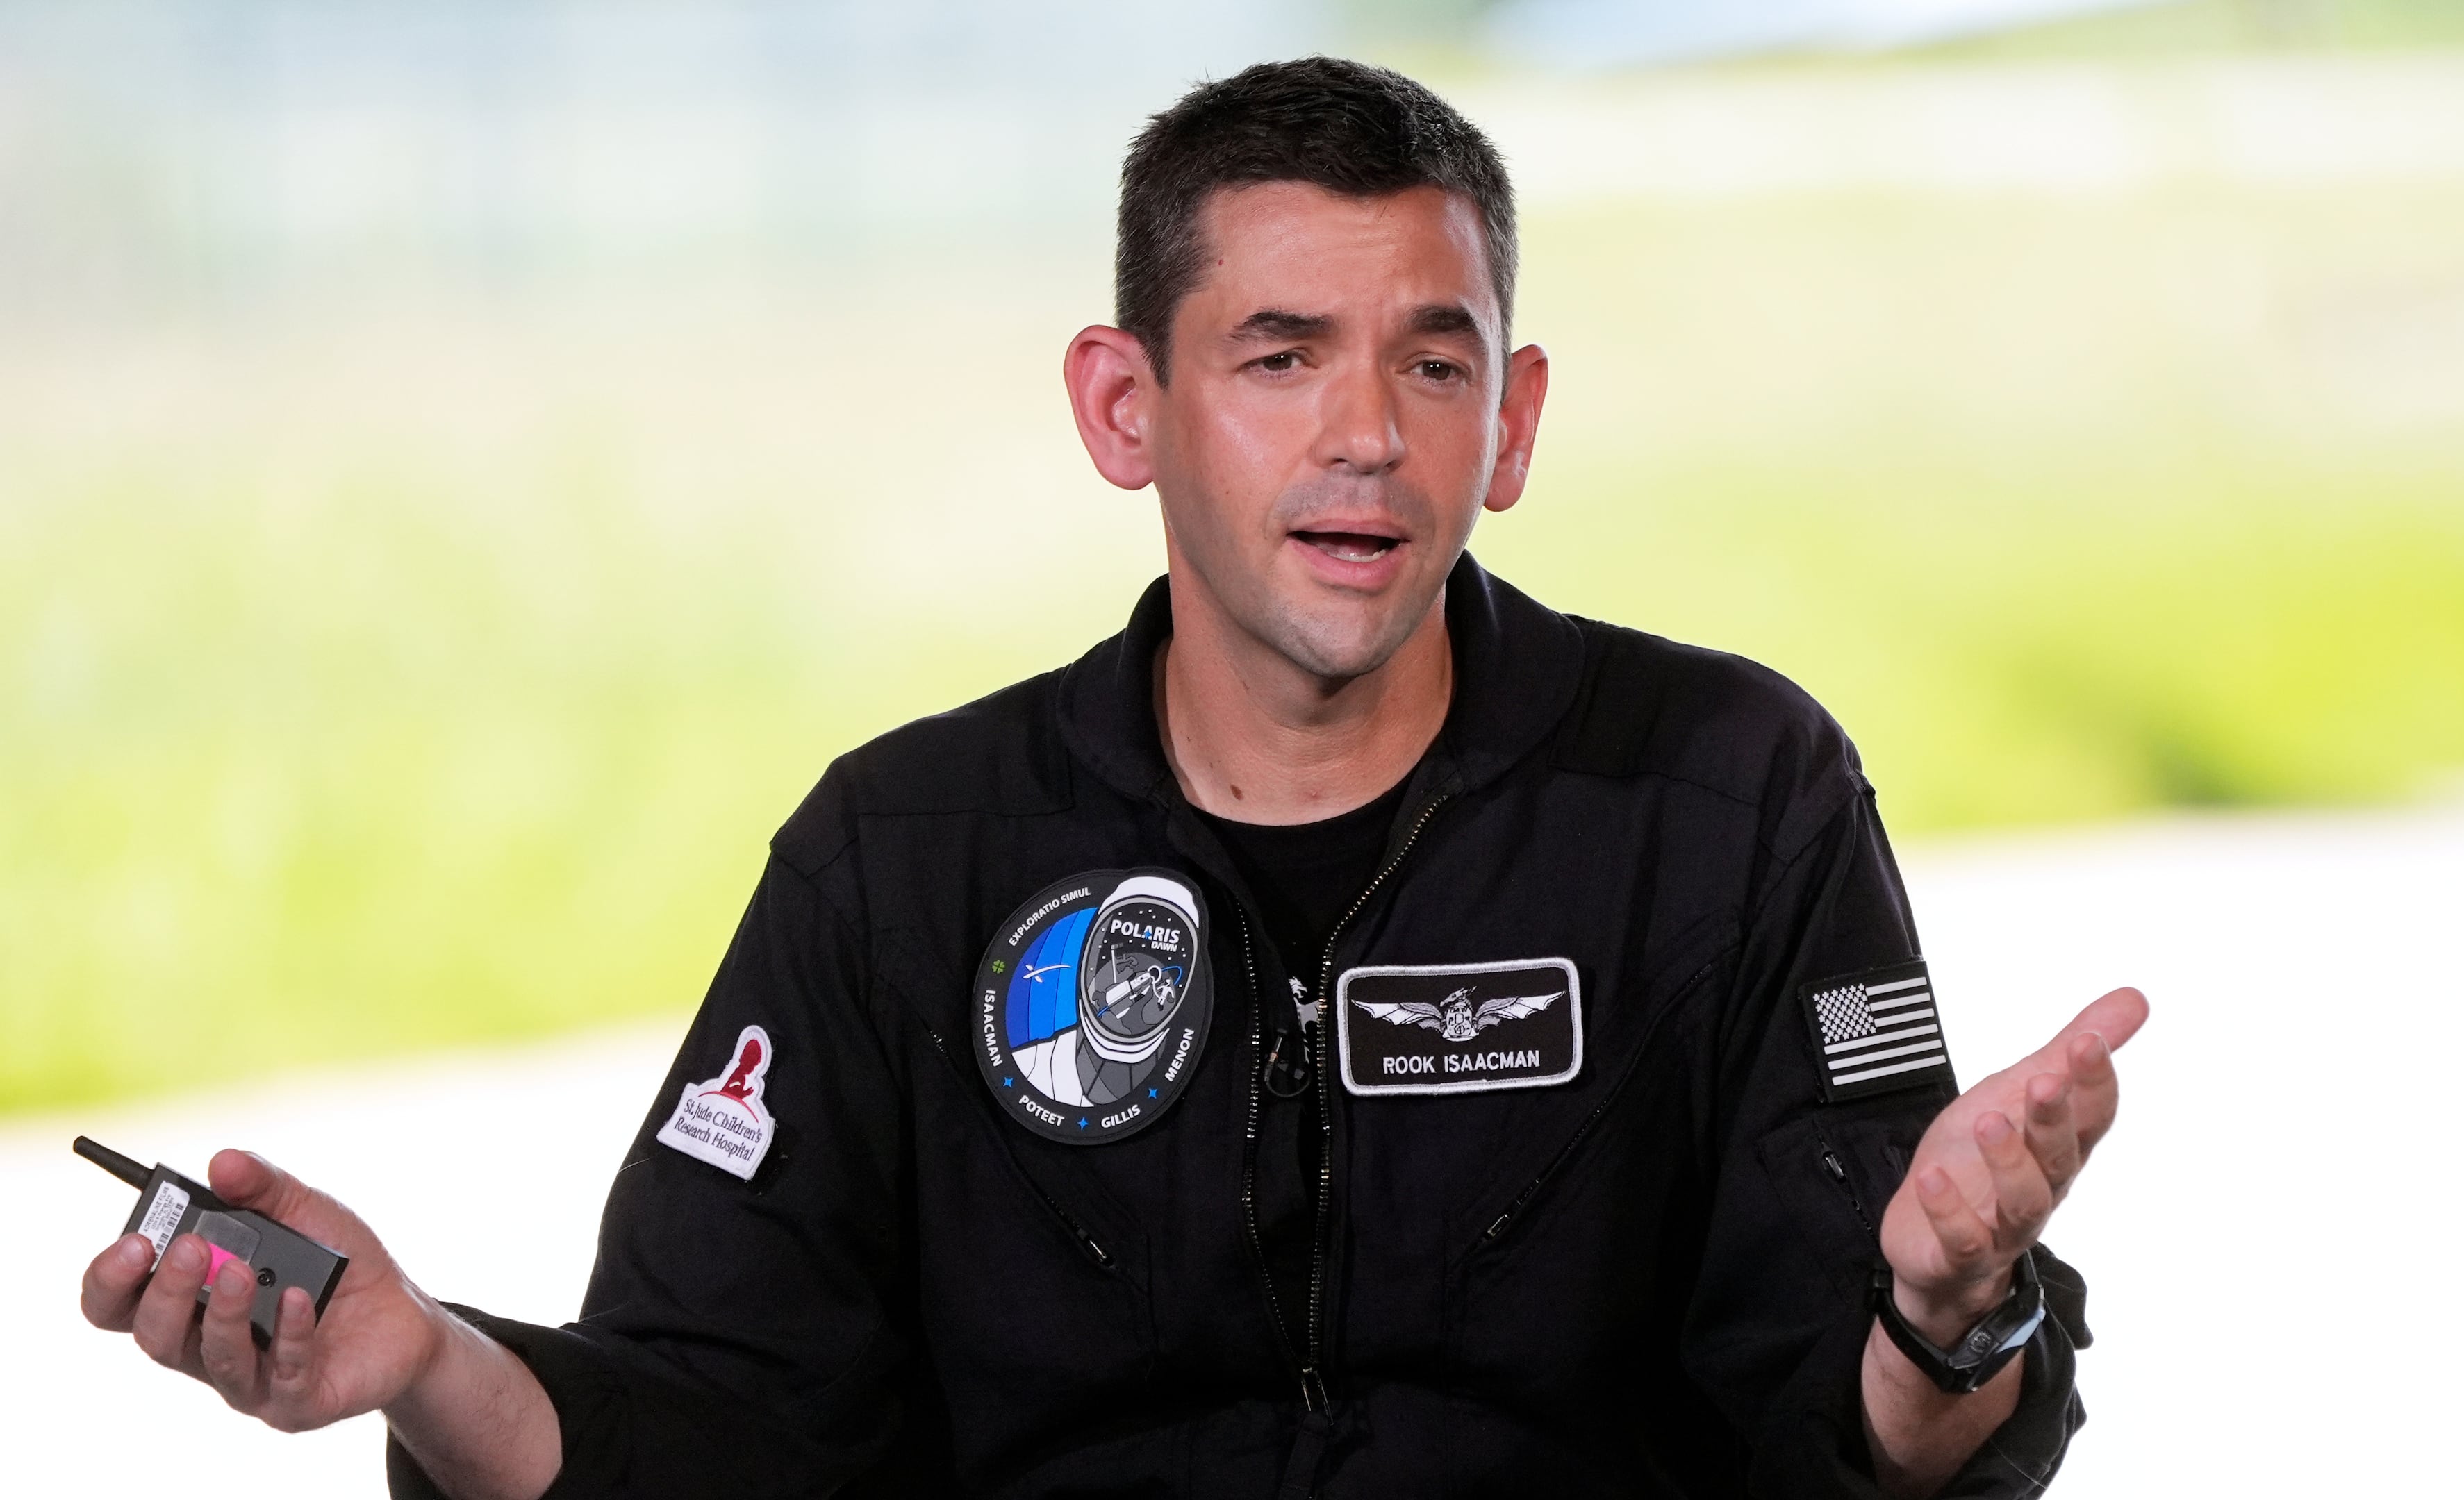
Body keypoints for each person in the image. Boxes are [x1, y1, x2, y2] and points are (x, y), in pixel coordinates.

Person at [78, 57, 2147, 1499]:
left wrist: (1952, 1318)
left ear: (1511, 424)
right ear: (1124, 401)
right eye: (1277, 355)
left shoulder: (1724, 794)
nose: (1366, 436)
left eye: (1433, 362)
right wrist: (432, 1364)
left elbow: (1852, 1441)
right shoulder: (904, 860)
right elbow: (719, 1435)